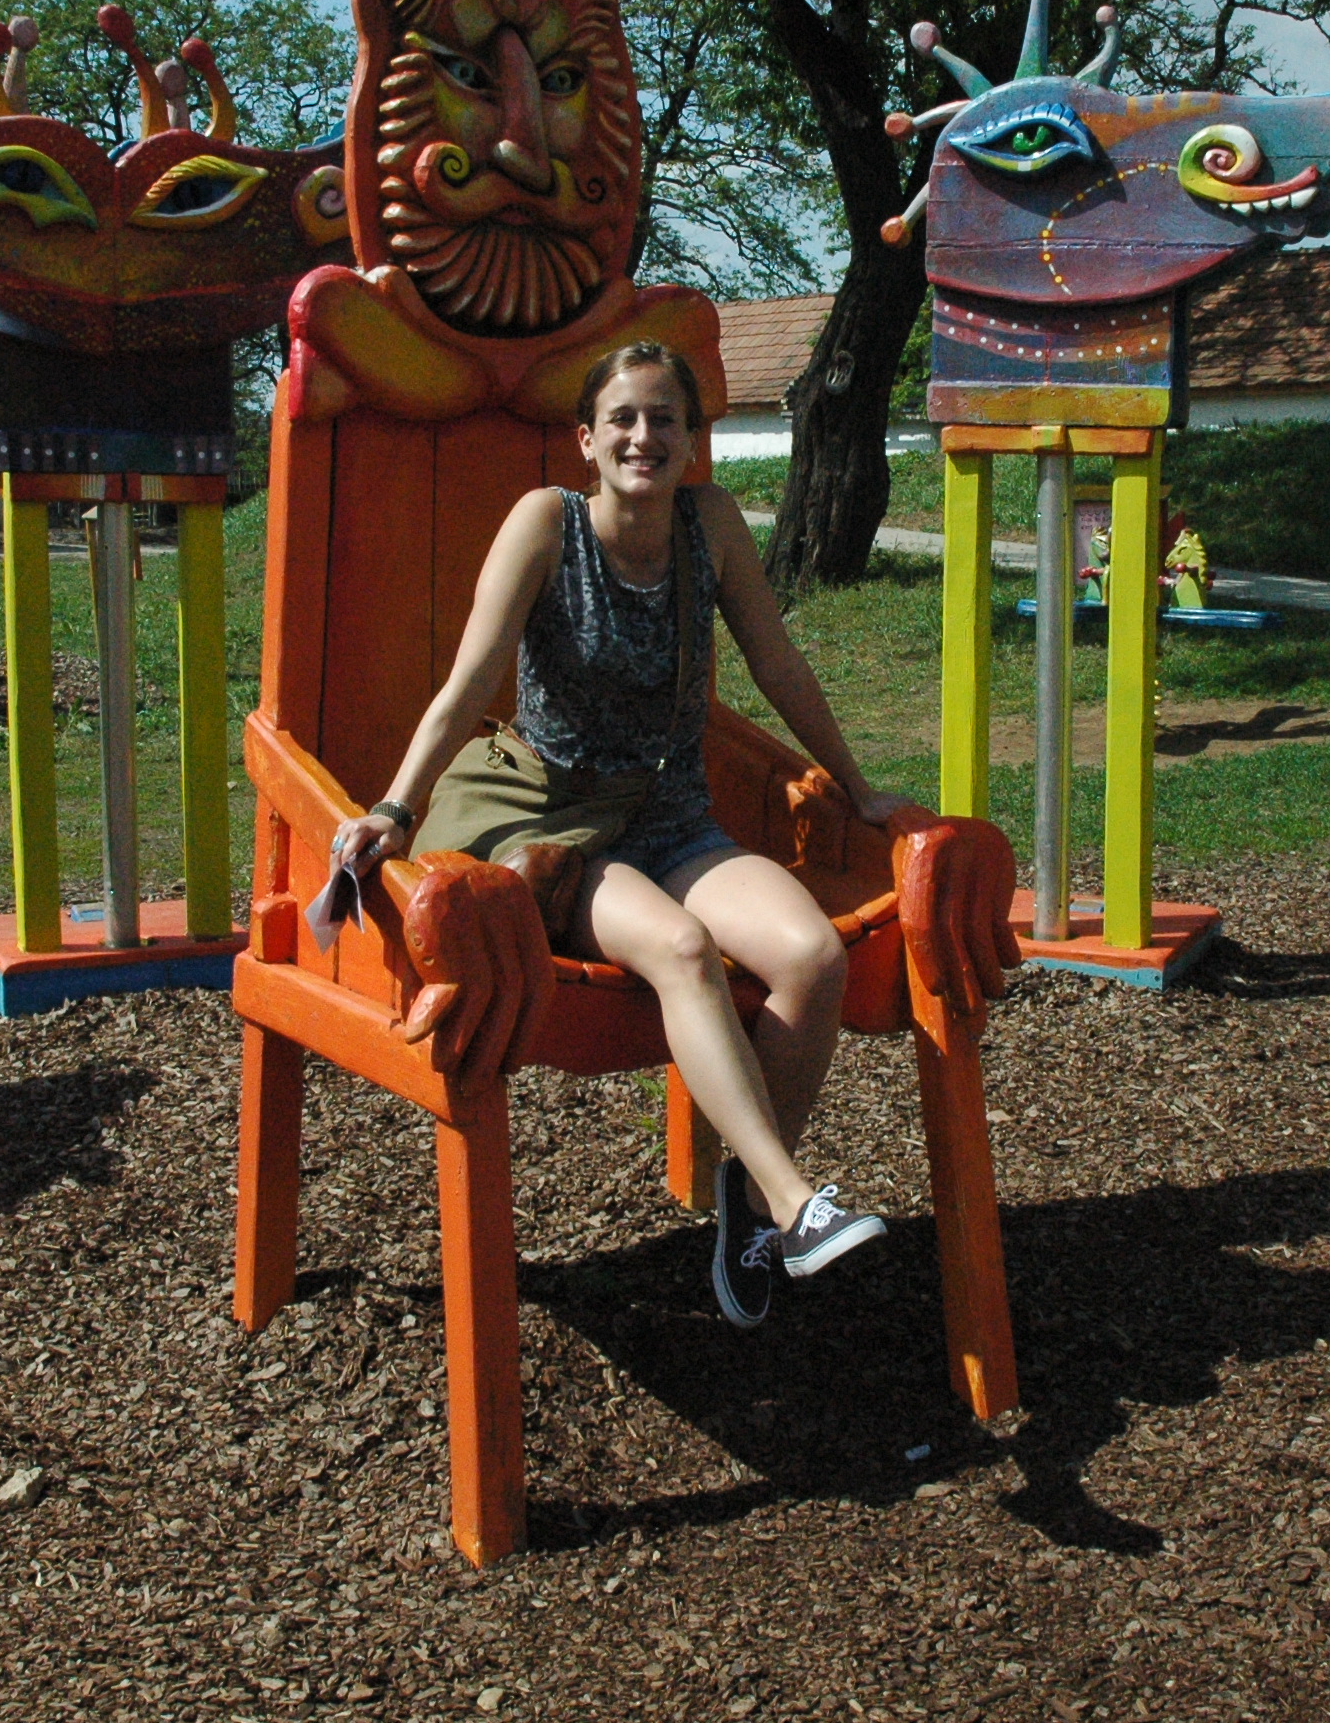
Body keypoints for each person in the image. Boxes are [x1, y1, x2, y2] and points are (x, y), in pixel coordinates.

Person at [330, 340, 909, 1328]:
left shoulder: (708, 525)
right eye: (624, 419)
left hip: (670, 811)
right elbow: (472, 678)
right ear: (587, 440)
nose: (644, 436)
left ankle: (745, 1195)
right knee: (680, 949)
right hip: (556, 817)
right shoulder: (545, 523)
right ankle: (792, 1202)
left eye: (664, 418)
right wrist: (394, 807)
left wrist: (855, 787)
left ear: (692, 438)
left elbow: (775, 662)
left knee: (812, 955)